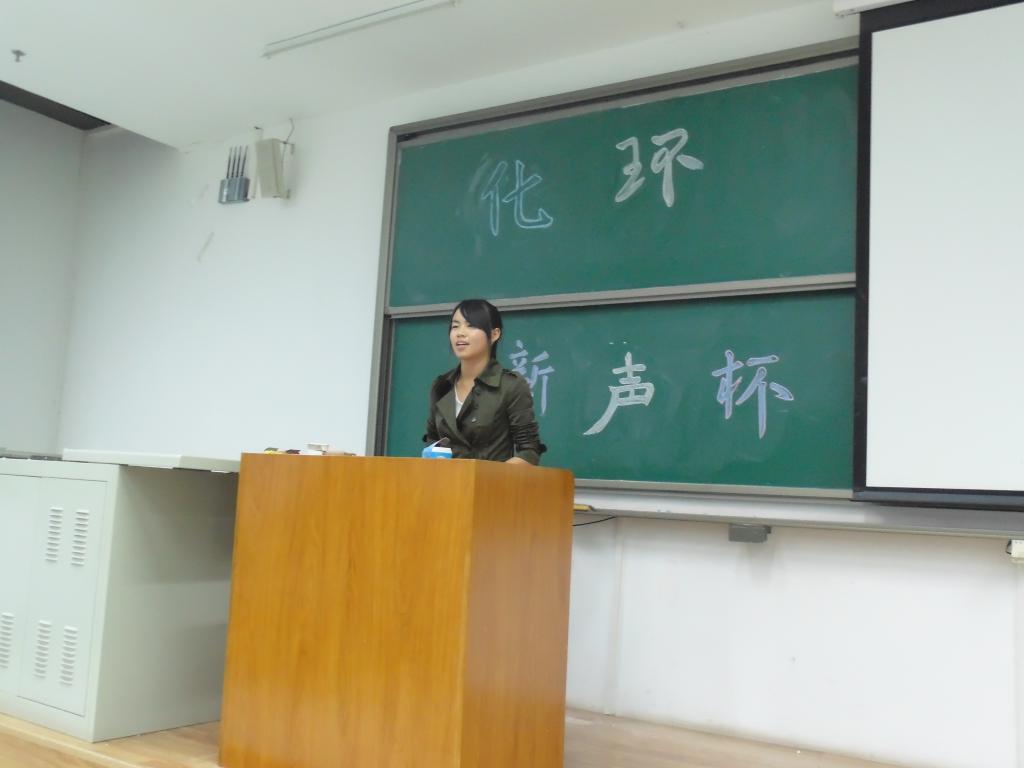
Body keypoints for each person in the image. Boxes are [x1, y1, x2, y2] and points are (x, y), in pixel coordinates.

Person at [424, 299, 545, 465]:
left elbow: (529, 451)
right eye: (455, 326)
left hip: (492, 480)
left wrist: (491, 476)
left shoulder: (510, 385)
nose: (460, 333)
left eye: (471, 326)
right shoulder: (442, 385)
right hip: (447, 481)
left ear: (494, 334)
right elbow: (432, 442)